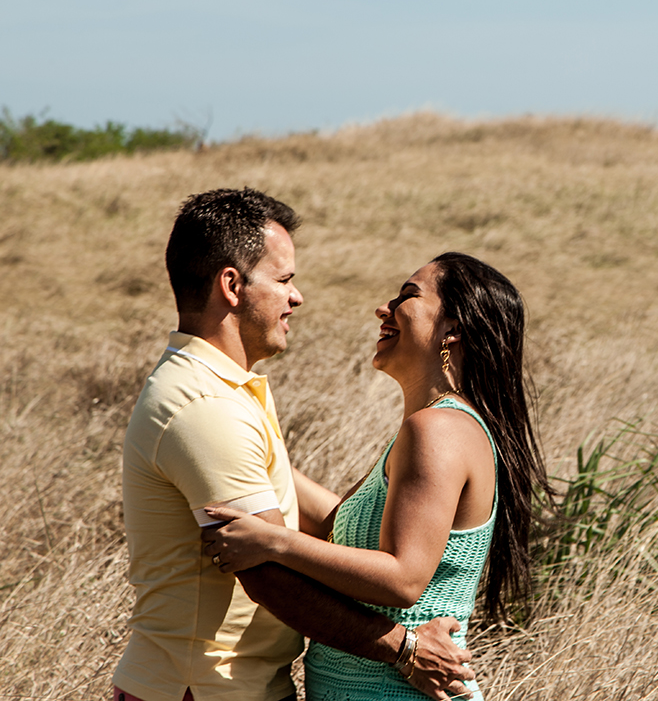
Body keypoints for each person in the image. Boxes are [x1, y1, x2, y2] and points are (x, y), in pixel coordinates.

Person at [114, 188, 475, 701]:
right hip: (204, 687)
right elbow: (266, 573)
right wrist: (406, 648)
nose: (296, 296)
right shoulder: (206, 405)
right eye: (284, 280)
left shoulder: (228, 391)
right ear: (232, 286)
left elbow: (315, 528)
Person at [201, 252, 552, 701]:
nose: (384, 308)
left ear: (453, 327)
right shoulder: (435, 425)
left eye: (408, 296)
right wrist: (247, 445)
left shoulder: (438, 430)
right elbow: (337, 526)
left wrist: (275, 542)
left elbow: (402, 579)